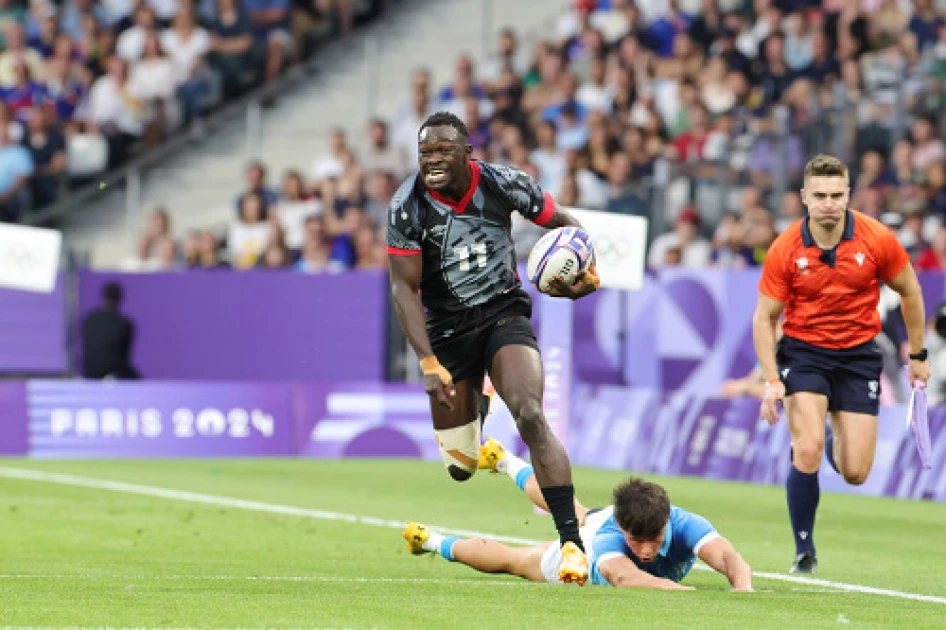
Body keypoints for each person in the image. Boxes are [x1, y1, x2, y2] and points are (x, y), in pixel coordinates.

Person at [386, 111, 600, 585]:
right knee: (461, 466)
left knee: (530, 414)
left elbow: (565, 225)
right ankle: (479, 392)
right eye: (425, 152)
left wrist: (587, 270)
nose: (432, 160)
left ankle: (571, 543)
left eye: (443, 151)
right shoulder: (407, 205)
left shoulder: (504, 183)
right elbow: (403, 289)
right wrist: (428, 362)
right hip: (447, 333)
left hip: (503, 313)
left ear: (468, 153)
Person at [753, 154, 930, 575]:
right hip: (804, 353)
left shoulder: (876, 238)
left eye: (836, 195)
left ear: (848, 194)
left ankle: (828, 436)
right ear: (804, 197)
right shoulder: (785, 247)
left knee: (856, 473)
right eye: (820, 196)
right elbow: (764, 318)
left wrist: (918, 355)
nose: (829, 204)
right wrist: (772, 379)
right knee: (807, 449)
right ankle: (804, 551)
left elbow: (910, 291)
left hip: (858, 355)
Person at [402, 438, 755, 591]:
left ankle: (506, 461)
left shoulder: (684, 522)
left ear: (666, 522)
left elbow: (727, 556)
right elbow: (625, 577)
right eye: (637, 541)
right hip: (584, 558)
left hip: (603, 519)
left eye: (654, 540)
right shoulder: (608, 539)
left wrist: (743, 588)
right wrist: (678, 589)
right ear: (622, 527)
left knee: (573, 510)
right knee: (516, 560)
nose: (647, 550)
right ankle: (430, 541)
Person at [81, 282, 140, 380]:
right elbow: (123, 358)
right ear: (119, 299)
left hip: (89, 373)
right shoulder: (125, 325)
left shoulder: (89, 320)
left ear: (103, 296)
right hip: (113, 374)